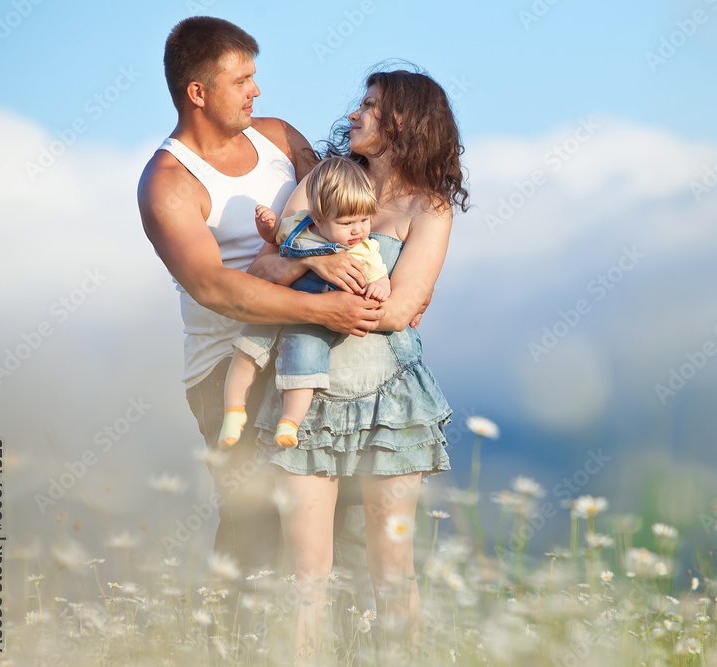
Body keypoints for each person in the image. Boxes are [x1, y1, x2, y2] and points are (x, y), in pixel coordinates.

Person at [135, 17, 381, 588]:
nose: (256, 90)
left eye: (255, 75)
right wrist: (322, 304)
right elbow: (213, 288)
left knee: (339, 522)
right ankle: (229, 646)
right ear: (199, 93)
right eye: (242, 79)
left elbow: (343, 209)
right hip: (231, 366)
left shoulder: (277, 136)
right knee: (256, 530)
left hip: (315, 349)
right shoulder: (168, 182)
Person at [253, 69, 469, 660]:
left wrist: (318, 277)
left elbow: (401, 308)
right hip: (308, 394)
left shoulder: (429, 207)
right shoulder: (323, 180)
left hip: (391, 401)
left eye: (370, 106)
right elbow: (265, 274)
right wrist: (321, 264)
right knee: (305, 570)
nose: (354, 114)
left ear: (402, 120)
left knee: (392, 565)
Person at [218, 156, 391, 449]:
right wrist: (268, 227)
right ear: (320, 219)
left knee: (304, 368)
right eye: (347, 223)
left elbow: (382, 276)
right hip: (277, 304)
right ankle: (233, 411)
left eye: (364, 220)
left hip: (314, 320)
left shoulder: (365, 250)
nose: (357, 230)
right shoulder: (300, 226)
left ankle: (289, 423)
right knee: (246, 352)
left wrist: (380, 287)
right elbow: (276, 237)